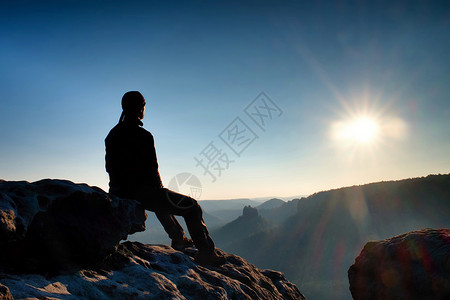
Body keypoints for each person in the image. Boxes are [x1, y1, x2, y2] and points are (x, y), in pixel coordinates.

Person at [105, 91, 225, 266]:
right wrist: (158, 189)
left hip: (119, 191)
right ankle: (206, 252)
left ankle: (178, 238)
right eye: (143, 106)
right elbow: (152, 170)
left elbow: (109, 168)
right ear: (140, 109)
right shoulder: (144, 136)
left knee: (160, 199)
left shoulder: (112, 135)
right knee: (191, 207)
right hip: (139, 192)